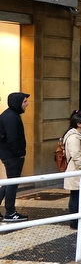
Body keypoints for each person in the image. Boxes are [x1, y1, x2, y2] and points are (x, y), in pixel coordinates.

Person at [0, 92, 30, 221]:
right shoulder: (10, 117)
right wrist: (19, 153)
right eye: (24, 101)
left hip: (10, 154)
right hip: (11, 156)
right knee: (12, 183)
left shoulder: (11, 115)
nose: (27, 104)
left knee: (9, 182)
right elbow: (12, 139)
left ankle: (10, 211)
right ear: (17, 102)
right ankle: (10, 212)